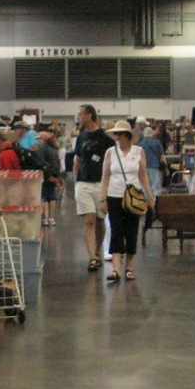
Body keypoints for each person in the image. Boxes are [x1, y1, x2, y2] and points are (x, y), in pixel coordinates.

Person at [101, 119, 153, 283]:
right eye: (115, 134)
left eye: (119, 134)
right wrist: (102, 199)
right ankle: (116, 269)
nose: (117, 137)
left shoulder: (139, 152)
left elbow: (143, 175)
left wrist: (149, 195)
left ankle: (129, 267)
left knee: (131, 231)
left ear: (127, 135)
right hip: (114, 196)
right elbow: (105, 177)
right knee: (116, 230)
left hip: (134, 197)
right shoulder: (110, 152)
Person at [72, 105, 112, 272]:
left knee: (100, 220)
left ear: (89, 115)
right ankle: (92, 257)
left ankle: (97, 251)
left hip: (100, 184)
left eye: (80, 114)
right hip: (83, 184)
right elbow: (77, 159)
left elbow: (111, 163)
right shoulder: (81, 137)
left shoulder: (105, 139)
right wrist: (76, 180)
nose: (79, 117)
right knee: (89, 220)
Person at [33, 129, 63, 226]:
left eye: (39, 139)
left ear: (43, 139)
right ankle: (51, 218)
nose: (37, 140)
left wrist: (47, 176)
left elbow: (41, 163)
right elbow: (57, 163)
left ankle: (45, 219)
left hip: (45, 175)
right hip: (54, 175)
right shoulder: (54, 148)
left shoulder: (41, 148)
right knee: (52, 197)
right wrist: (57, 177)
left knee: (44, 197)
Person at [138, 121, 165, 225]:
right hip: (155, 168)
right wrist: (165, 168)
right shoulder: (157, 142)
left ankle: (146, 210)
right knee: (155, 189)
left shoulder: (140, 144)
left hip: (143, 169)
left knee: (145, 189)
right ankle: (155, 210)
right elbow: (162, 157)